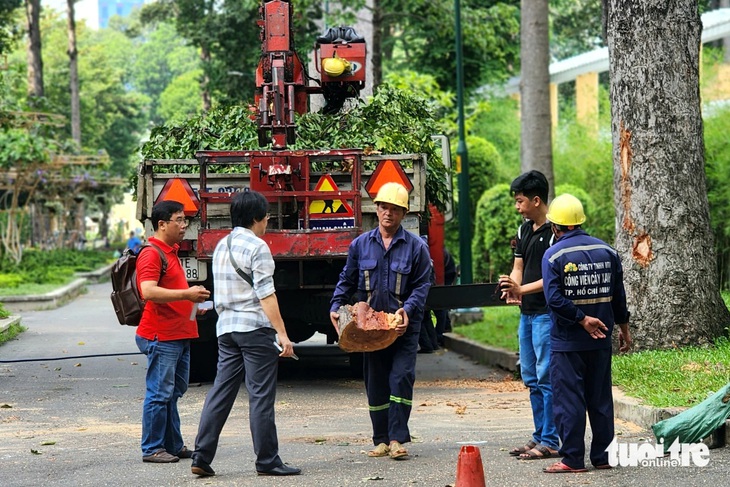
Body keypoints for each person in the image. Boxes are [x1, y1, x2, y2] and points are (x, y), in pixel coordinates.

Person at [191, 190, 300, 478]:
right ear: (256, 218)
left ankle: (201, 455)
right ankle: (267, 460)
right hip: (254, 329)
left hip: (226, 330)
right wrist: (282, 334)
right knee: (260, 396)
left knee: (221, 391)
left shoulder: (221, 246)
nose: (267, 222)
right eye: (266, 217)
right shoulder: (257, 247)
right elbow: (266, 294)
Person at [329, 182, 432, 460]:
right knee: (375, 381)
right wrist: (335, 306)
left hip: (402, 328)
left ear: (403, 213)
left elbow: (422, 286)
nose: (388, 213)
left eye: (395, 209)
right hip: (370, 330)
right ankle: (381, 439)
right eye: (384, 207)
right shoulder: (360, 245)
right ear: (376, 209)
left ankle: (398, 438)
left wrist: (407, 311)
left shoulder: (416, 248)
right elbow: (346, 280)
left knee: (400, 378)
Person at [540, 193, 631, 473]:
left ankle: (572, 459)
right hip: (602, 339)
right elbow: (619, 297)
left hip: (568, 343)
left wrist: (581, 320)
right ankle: (602, 457)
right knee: (600, 399)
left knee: (570, 400)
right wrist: (624, 329)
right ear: (579, 223)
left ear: (555, 227)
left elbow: (554, 300)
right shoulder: (609, 252)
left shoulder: (553, 255)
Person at [135, 200, 211, 463]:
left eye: (184, 220)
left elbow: (170, 293)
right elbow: (148, 291)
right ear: (162, 224)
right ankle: (152, 448)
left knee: (173, 392)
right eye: (179, 220)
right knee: (159, 393)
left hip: (179, 334)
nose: (184, 225)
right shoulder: (151, 253)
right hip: (162, 335)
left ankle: (173, 444)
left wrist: (191, 304)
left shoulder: (171, 251)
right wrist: (186, 293)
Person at [498, 170, 560, 460]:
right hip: (527, 315)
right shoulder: (524, 230)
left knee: (547, 377)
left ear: (536, 200)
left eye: (520, 201)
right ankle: (539, 437)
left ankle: (551, 439)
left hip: (547, 314)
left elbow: (551, 278)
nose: (517, 207)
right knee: (531, 377)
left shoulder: (556, 231)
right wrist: (512, 286)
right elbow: (518, 266)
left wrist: (520, 289)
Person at [433, 248, 457, 346]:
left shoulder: (439, 253)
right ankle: (446, 326)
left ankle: (439, 334)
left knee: (440, 307)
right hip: (446, 273)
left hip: (446, 274)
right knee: (442, 306)